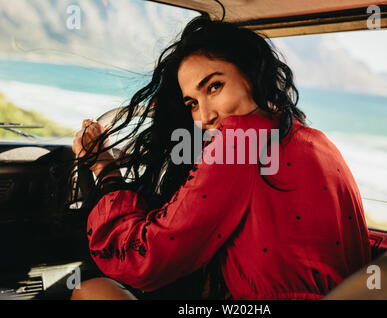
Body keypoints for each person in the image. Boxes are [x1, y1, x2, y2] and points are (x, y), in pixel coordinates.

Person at [70, 16, 371, 300]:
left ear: (252, 73)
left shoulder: (237, 145)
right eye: (192, 103)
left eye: (214, 86)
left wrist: (105, 168)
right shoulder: (316, 140)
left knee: (91, 291)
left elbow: (145, 257)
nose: (205, 116)